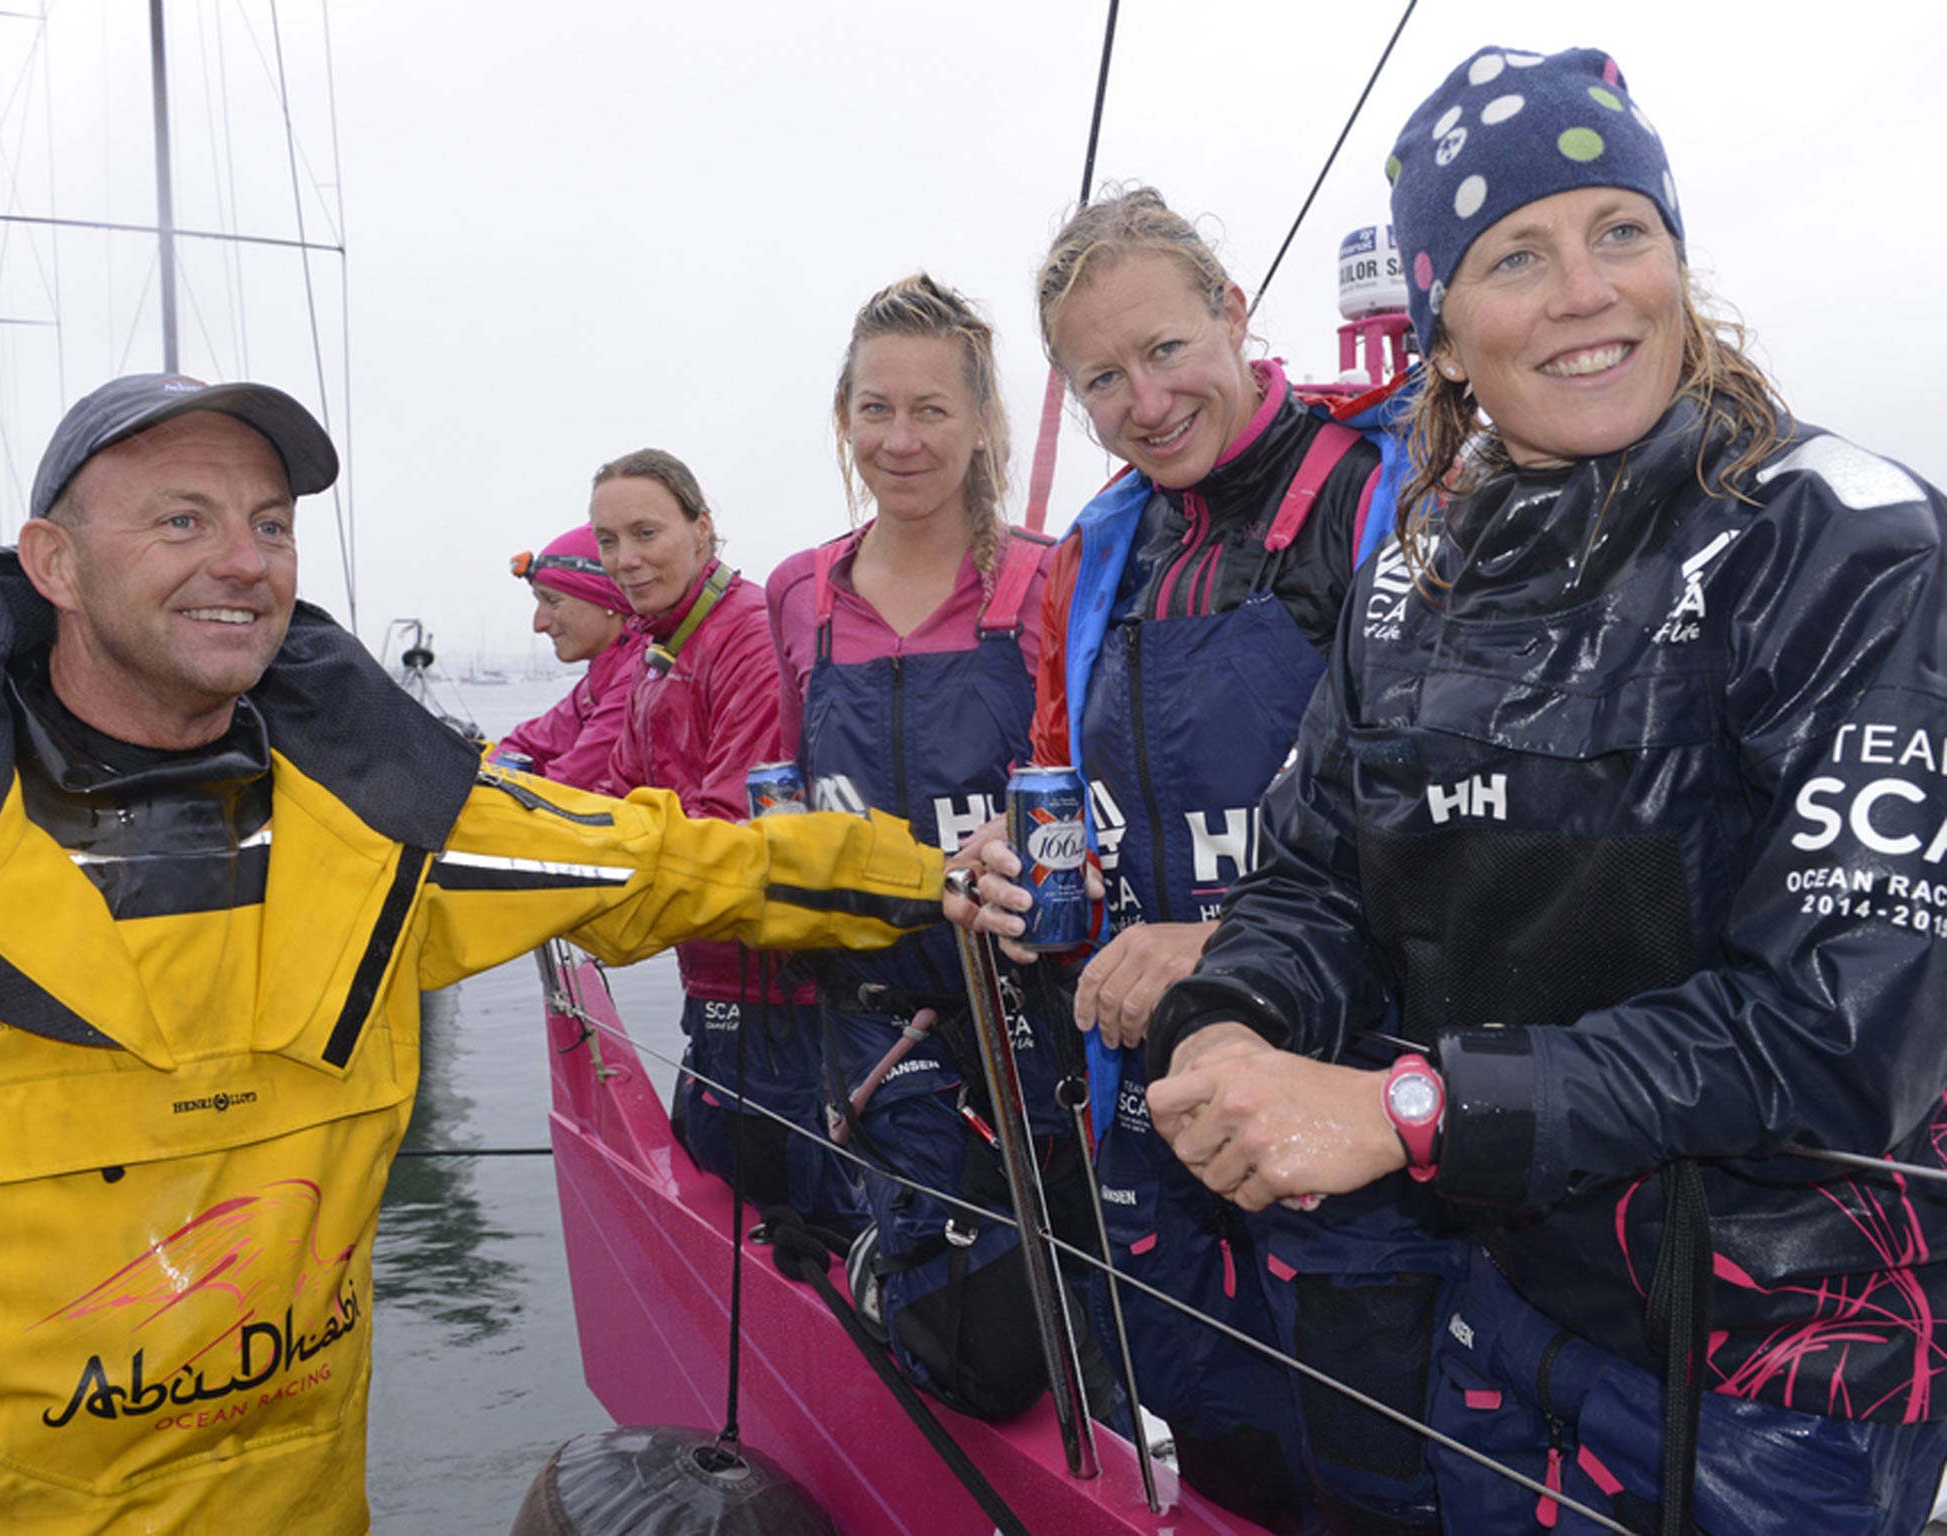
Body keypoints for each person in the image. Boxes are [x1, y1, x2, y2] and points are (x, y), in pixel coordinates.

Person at [0, 373, 945, 1536]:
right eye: (181, 520)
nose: (242, 561)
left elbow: (668, 861)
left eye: (271, 524)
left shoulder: (381, 835)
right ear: (51, 562)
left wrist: (936, 880)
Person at [1145, 45, 1947, 1536]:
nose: (1586, 291)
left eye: (1620, 232)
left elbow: (1841, 1030)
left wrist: (1408, 1105)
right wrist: (1227, 1029)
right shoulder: (1413, 573)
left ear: (1678, 263)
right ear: (1442, 333)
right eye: (1519, 254)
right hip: (1501, 1297)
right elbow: (1320, 876)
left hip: (1775, 1376)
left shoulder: (1847, 543)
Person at [960, 184, 1454, 1532]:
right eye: (1100, 377)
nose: (1145, 401)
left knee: (1380, 1478)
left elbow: (1473, 821)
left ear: (1234, 315)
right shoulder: (1096, 553)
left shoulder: (1389, 495)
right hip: (1151, 1097)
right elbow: (1059, 774)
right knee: (1217, 1447)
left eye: (1167, 349)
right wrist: (1013, 864)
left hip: (1351, 1101)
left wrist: (1236, 940)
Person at [769, 273, 1108, 1420]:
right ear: (842, 417)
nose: (899, 440)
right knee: (965, 1328)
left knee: (1078, 1298)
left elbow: (1096, 779)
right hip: (868, 1006)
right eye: (875, 409)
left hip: (1025, 1003)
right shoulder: (798, 596)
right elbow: (777, 797)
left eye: (929, 411)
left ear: (980, 424)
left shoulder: (1047, 576)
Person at [594, 448, 859, 1232]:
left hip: (779, 995)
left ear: (702, 529)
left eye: (646, 532)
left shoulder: (745, 633)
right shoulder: (659, 649)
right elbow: (614, 789)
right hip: (715, 982)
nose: (626, 560)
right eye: (608, 541)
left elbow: (728, 825)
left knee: (793, 1222)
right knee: (723, 1188)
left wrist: (591, 876)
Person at [495, 523, 644, 788]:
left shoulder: (640, 677)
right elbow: (527, 744)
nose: (538, 624)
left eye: (552, 601)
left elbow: (569, 784)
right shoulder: (598, 682)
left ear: (609, 601)